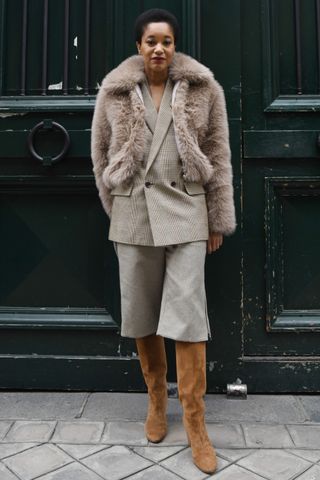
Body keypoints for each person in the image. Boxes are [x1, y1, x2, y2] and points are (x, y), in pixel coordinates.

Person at [91, 8, 236, 475]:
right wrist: (118, 204)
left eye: (167, 41)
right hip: (133, 214)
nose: (159, 48)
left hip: (188, 211)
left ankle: (195, 422)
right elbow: (99, 154)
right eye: (151, 41)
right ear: (139, 47)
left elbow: (218, 152)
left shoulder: (202, 89)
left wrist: (217, 219)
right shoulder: (115, 91)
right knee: (141, 313)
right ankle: (157, 402)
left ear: (175, 47)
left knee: (189, 317)